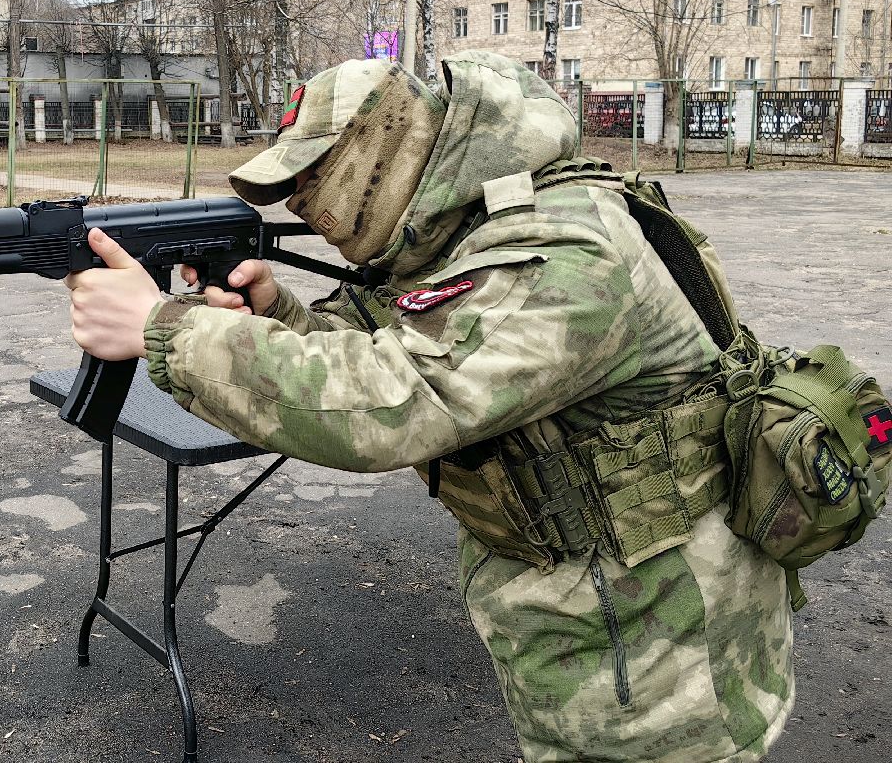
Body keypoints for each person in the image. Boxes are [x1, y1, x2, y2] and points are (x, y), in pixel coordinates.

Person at [65, 51, 793, 763]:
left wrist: (165, 328)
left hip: (662, 642)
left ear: (385, 150)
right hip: (597, 617)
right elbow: (407, 335)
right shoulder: (475, 229)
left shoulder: (562, 247)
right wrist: (277, 313)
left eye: (315, 179)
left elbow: (396, 399)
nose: (304, 208)